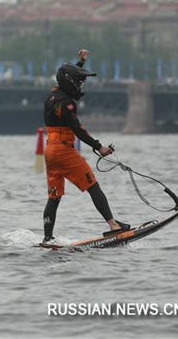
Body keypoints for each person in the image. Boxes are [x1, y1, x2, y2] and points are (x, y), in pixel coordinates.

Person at [42, 49, 129, 244]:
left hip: (50, 152)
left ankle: (47, 237)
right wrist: (100, 147)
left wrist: (79, 64)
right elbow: (78, 130)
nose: (80, 84)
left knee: (54, 197)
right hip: (64, 151)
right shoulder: (66, 104)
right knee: (93, 186)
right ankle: (113, 226)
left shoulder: (52, 96)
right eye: (79, 81)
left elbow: (66, 78)